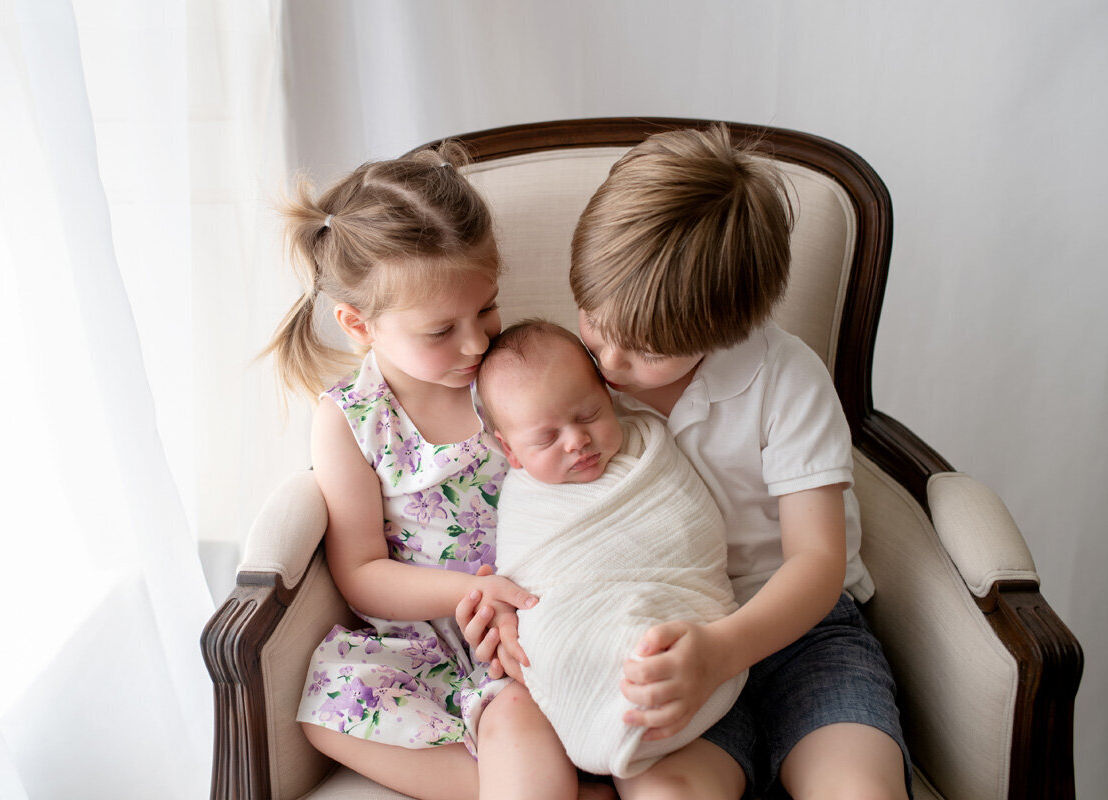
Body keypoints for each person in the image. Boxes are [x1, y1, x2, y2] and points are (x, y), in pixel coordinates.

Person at [563, 125, 913, 799]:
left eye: (642, 350)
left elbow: (817, 561)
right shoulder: (572, 382)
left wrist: (724, 651)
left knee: (859, 789)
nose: (608, 365)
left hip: (804, 633)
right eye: (593, 324)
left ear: (725, 329)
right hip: (667, 628)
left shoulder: (786, 380)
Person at [264, 144, 609, 800]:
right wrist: (467, 595)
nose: (476, 343)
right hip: (438, 644)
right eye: (440, 330)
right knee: (328, 709)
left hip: (536, 622)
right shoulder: (351, 419)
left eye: (486, 310)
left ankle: (536, 773)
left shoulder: (514, 377)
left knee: (513, 715)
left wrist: (519, 600)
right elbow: (362, 574)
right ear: (359, 324)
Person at [473, 319, 745, 782]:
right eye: (546, 438)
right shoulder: (523, 501)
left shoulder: (649, 449)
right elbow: (526, 588)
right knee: (548, 655)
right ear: (511, 451)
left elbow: (692, 532)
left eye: (588, 415)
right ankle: (597, 705)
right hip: (574, 640)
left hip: (684, 637)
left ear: (608, 394)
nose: (576, 440)